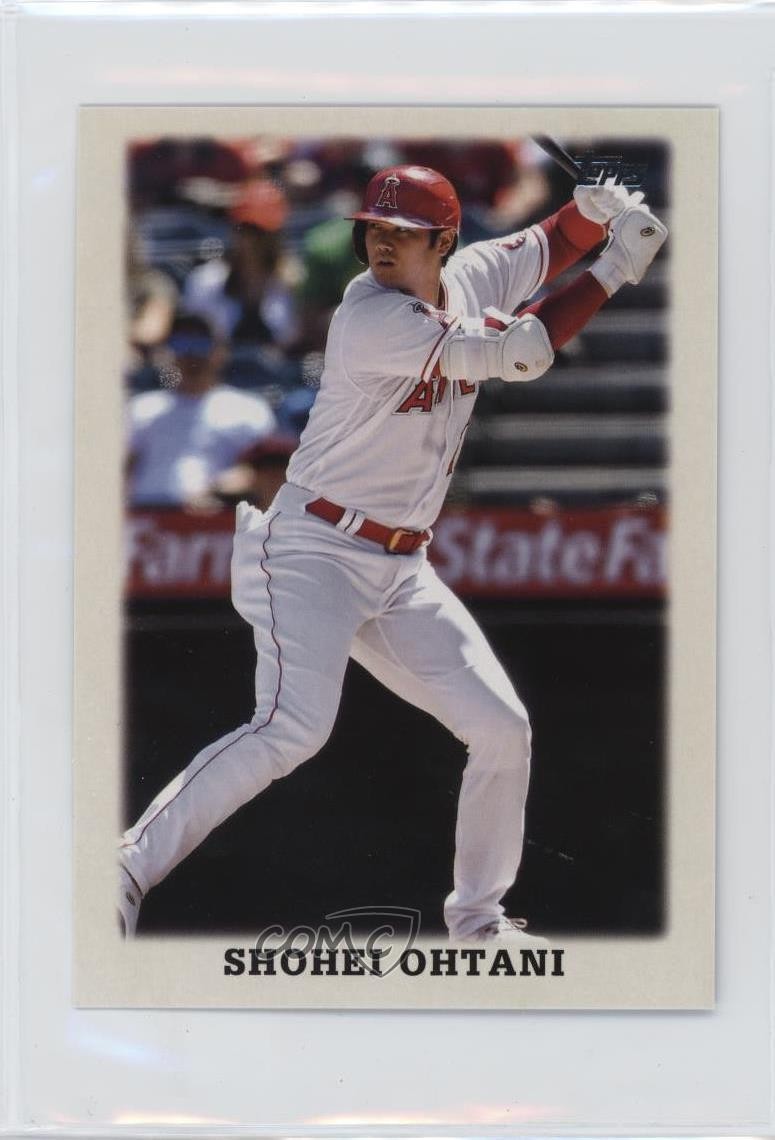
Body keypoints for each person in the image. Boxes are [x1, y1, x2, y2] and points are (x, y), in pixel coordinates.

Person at [119, 165, 666, 943]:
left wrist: (592, 208)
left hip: (400, 567)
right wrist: (615, 268)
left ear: (443, 242)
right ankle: (126, 867)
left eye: (402, 233)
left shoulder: (473, 275)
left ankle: (477, 920)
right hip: (311, 548)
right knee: (290, 728)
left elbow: (548, 245)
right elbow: (524, 351)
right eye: (375, 230)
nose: (382, 243)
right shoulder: (369, 314)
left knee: (502, 729)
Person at [127, 312, 276, 509]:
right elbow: (120, 472)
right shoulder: (141, 408)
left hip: (217, 519)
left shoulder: (249, 409)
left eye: (201, 344)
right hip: (147, 516)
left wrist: (221, 488)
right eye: (182, 344)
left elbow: (268, 475)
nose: (192, 354)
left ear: (221, 351)